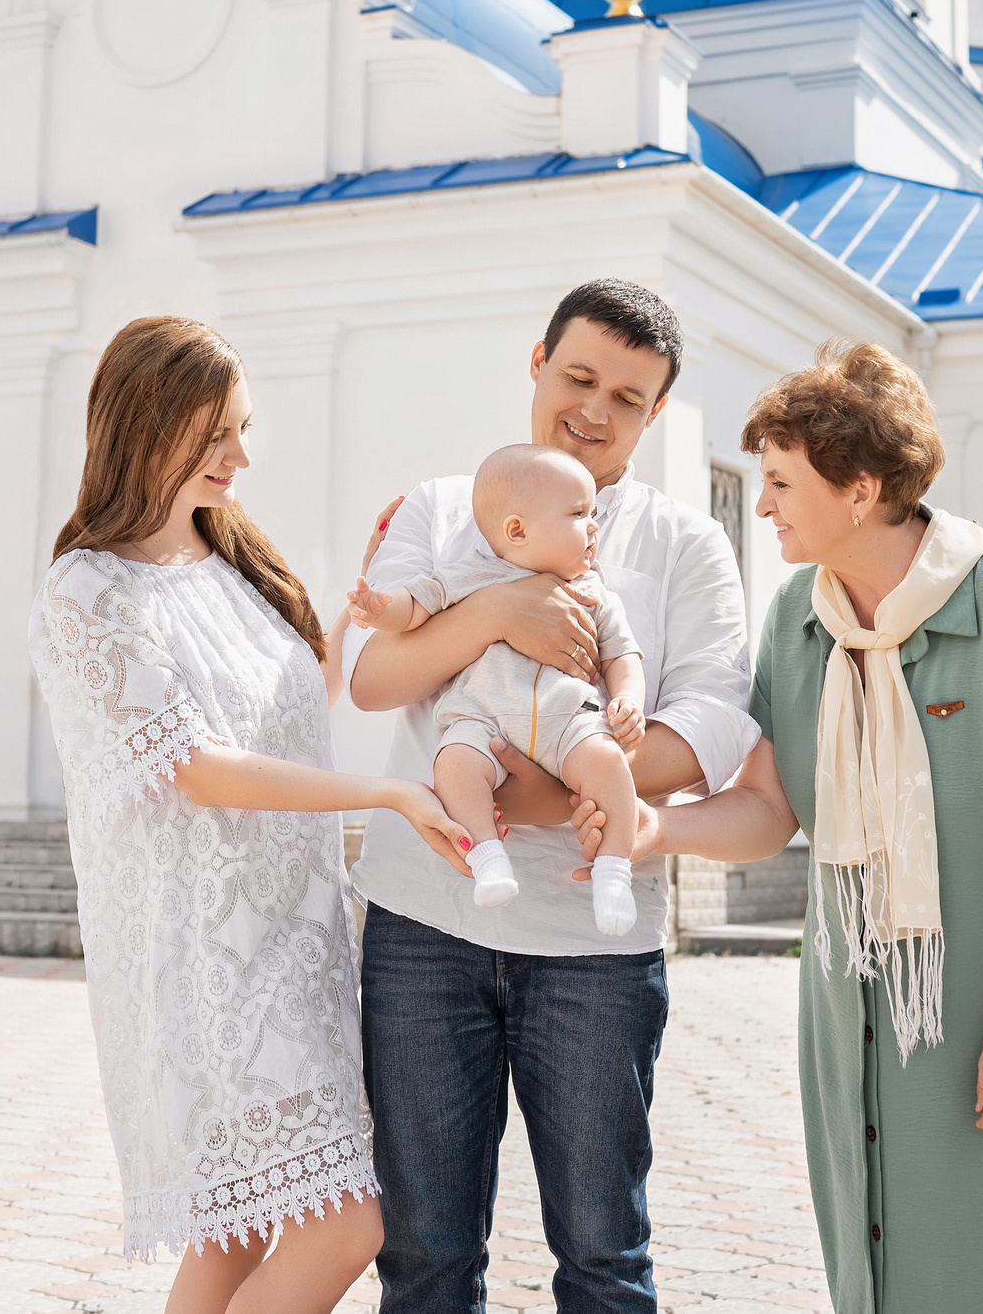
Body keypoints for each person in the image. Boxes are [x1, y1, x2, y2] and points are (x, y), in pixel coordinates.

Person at [592, 341, 983, 1314]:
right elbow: (768, 807)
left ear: (861, 489)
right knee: (873, 1274)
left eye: (782, 482)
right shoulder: (798, 617)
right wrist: (653, 827)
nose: (764, 505)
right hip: (849, 1015)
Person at [27, 315, 470, 1314]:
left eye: (243, 428)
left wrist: (370, 591)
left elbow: (295, 702)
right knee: (345, 1226)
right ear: (149, 427)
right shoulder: (86, 589)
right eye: (216, 433)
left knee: (231, 1241)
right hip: (209, 962)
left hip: (298, 938)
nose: (240, 455)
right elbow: (196, 767)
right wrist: (386, 793)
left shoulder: (231, 558)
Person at [346, 280, 760, 1314]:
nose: (595, 410)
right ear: (537, 363)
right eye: (579, 377)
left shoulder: (686, 543)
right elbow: (371, 676)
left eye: (628, 396)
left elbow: (712, 722)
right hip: (424, 922)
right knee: (424, 1255)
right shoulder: (440, 508)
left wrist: (540, 798)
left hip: (594, 945)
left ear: (656, 411)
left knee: (603, 1257)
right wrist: (500, 610)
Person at [348, 443, 646, 932]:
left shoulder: (594, 591)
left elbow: (622, 654)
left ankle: (613, 873)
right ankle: (488, 858)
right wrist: (381, 608)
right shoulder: (473, 576)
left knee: (609, 763)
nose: (594, 527)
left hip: (569, 720)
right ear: (517, 530)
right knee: (454, 766)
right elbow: (417, 605)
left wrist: (628, 698)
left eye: (593, 514)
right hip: (481, 718)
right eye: (578, 514)